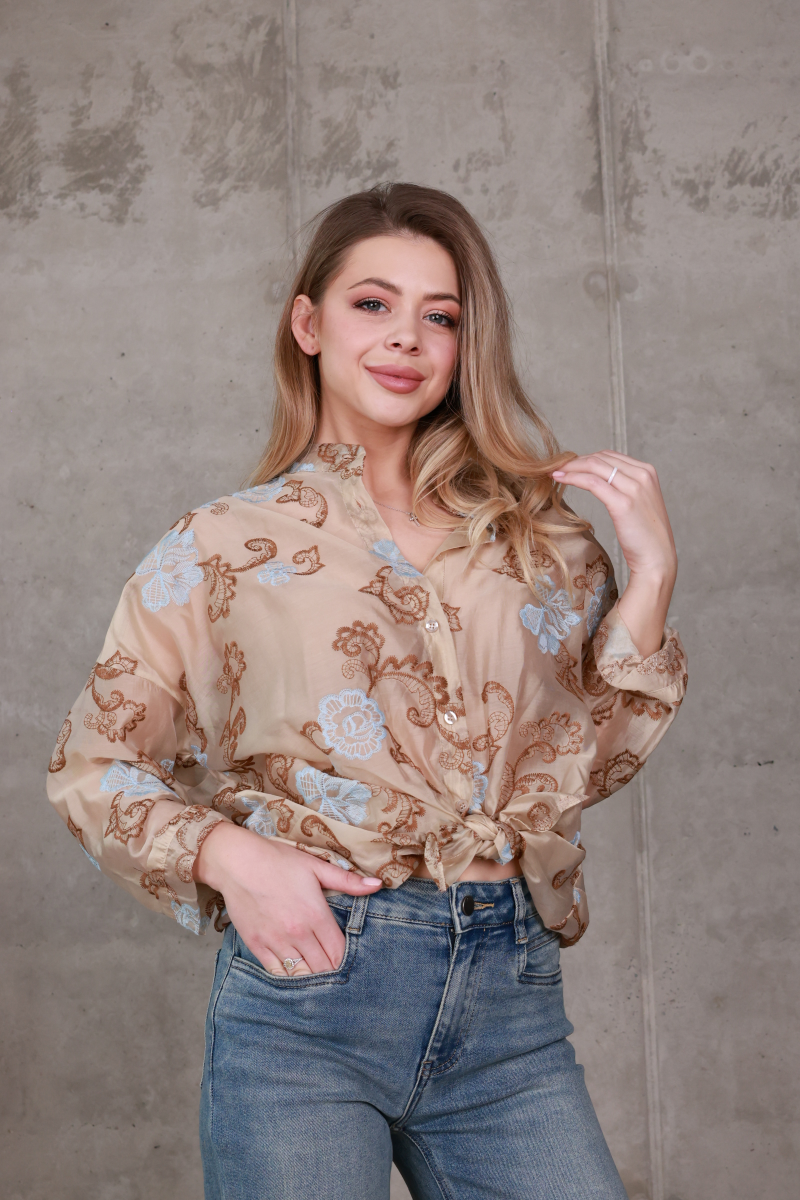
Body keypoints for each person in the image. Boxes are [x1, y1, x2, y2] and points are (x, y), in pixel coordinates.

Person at [47, 182, 686, 1199]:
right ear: (308, 324)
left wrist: (649, 577)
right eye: (372, 304)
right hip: (311, 998)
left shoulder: (538, 538)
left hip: (510, 998)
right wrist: (230, 857)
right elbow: (93, 763)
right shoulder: (221, 544)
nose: (406, 339)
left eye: (441, 317)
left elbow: (585, 762)